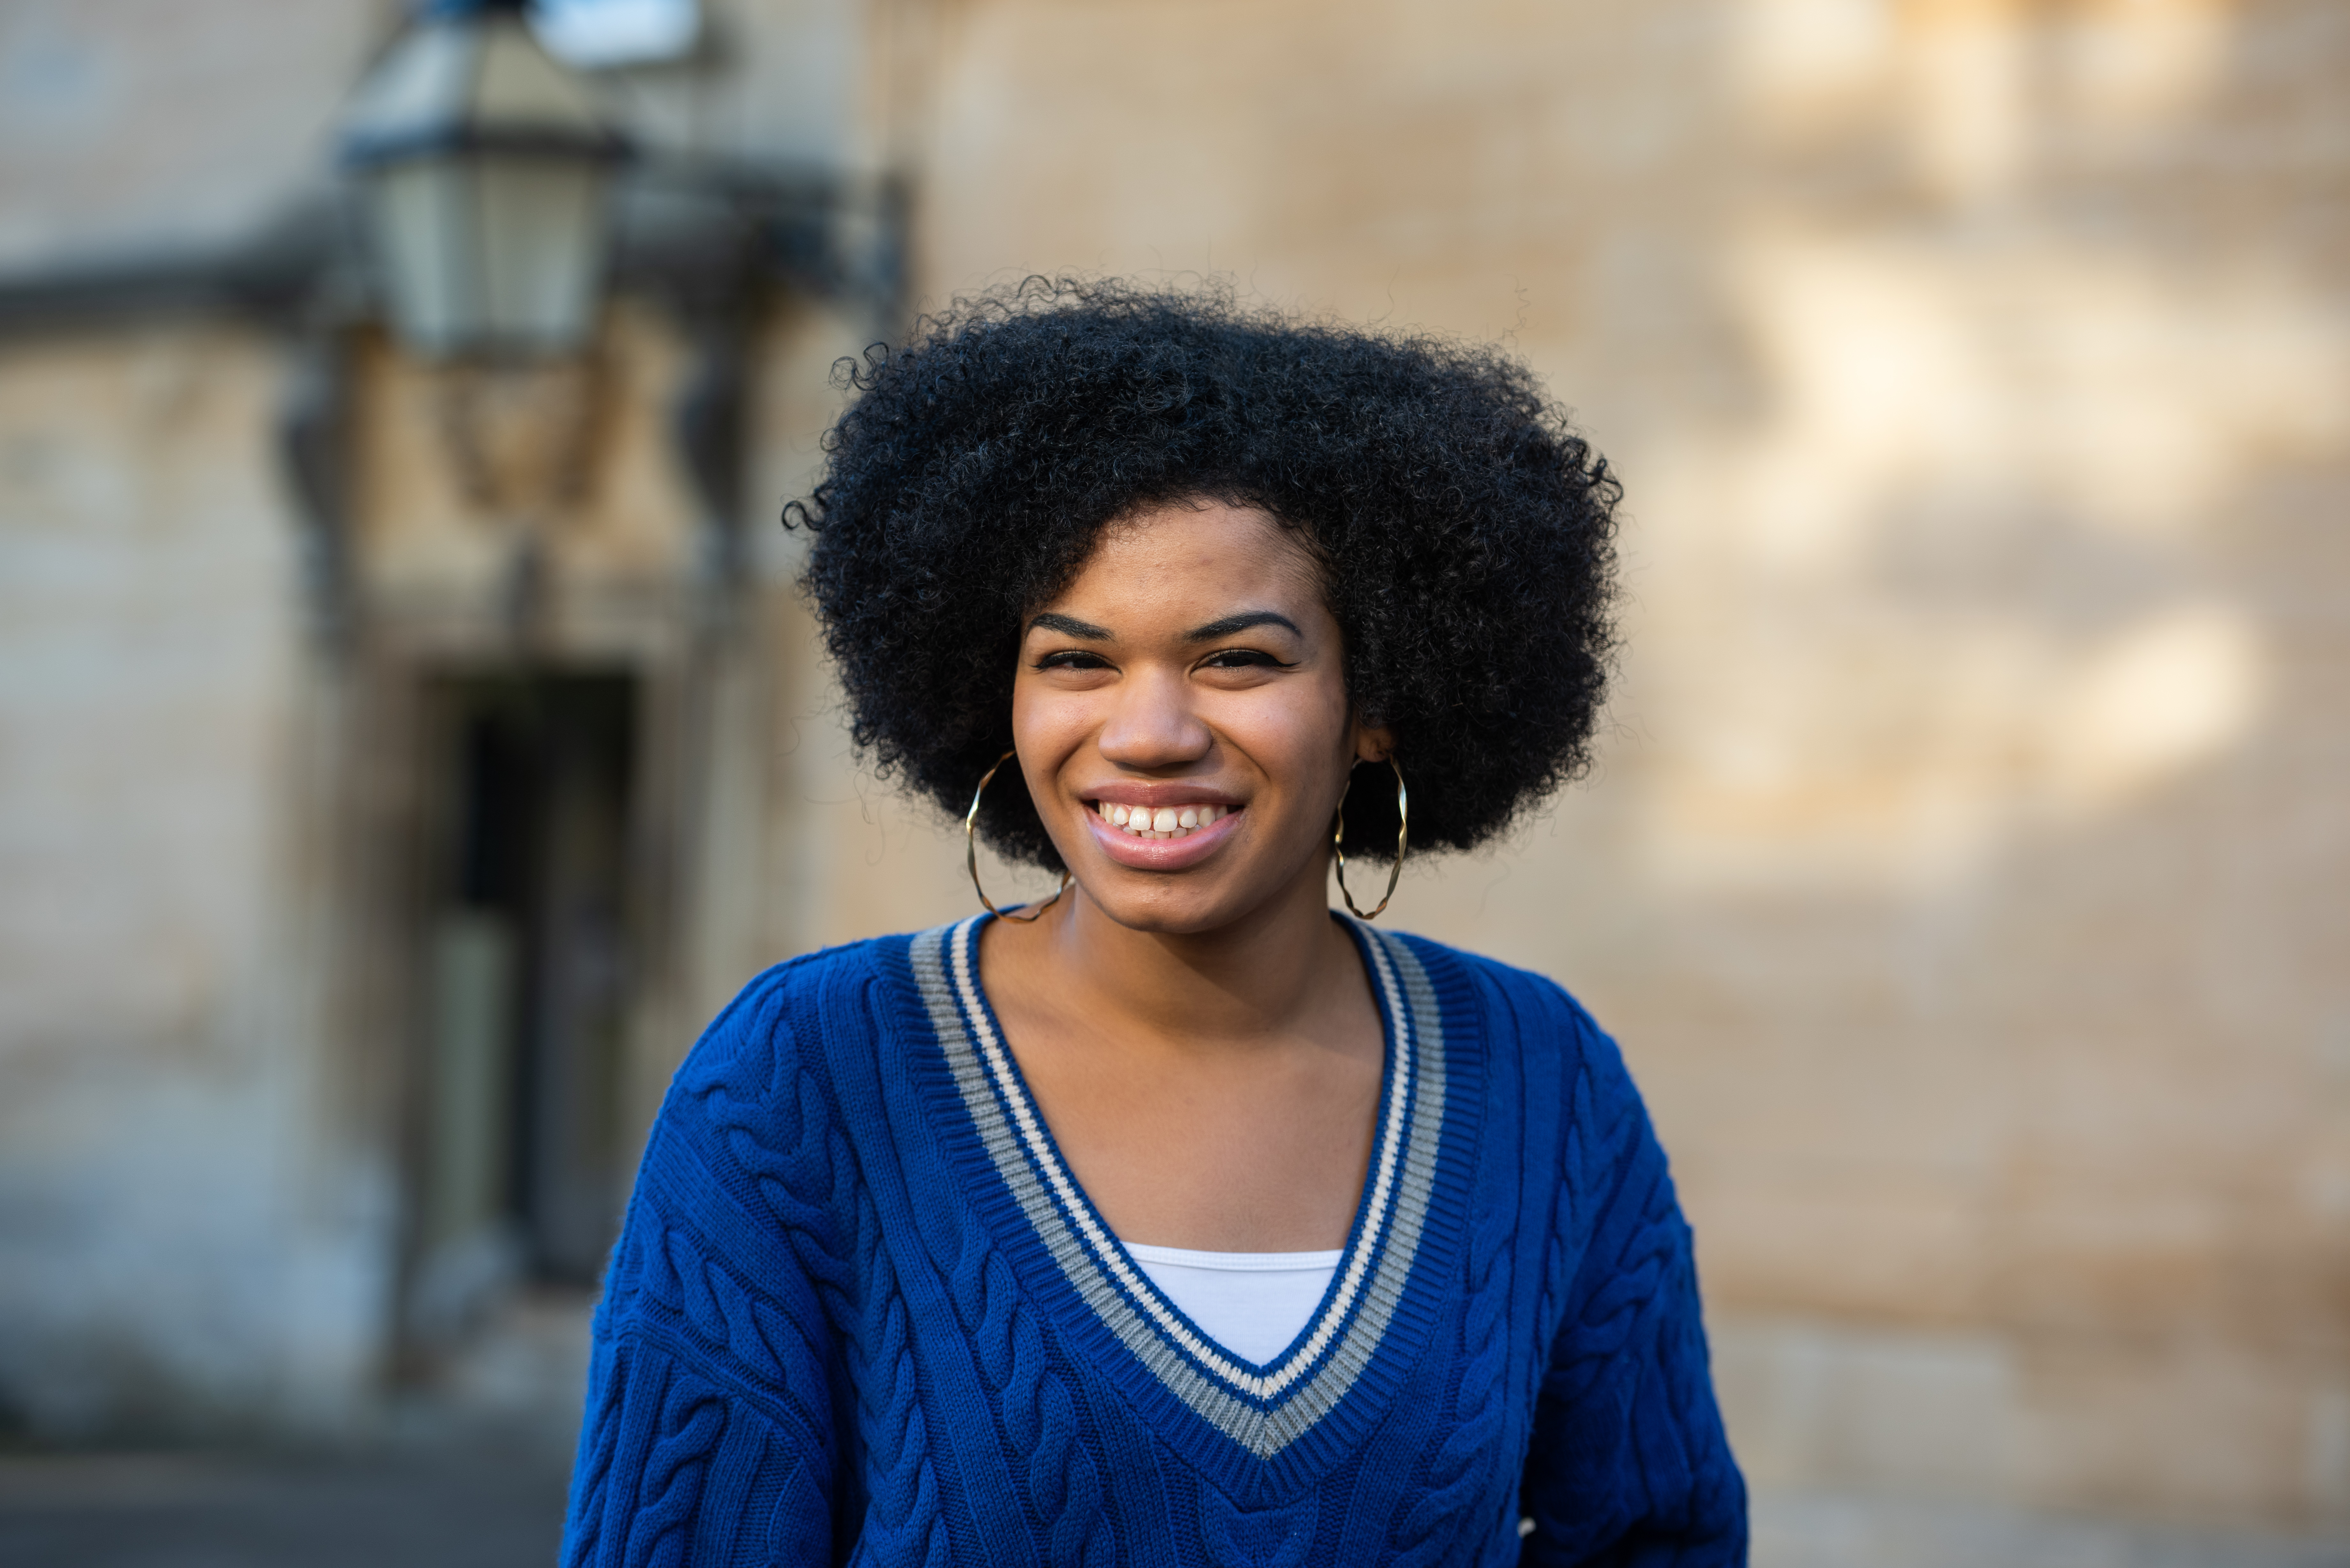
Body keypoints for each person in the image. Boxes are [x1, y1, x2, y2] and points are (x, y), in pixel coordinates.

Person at [560, 279, 1747, 1565]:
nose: (1149, 735)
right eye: (1075, 660)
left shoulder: (1539, 1079)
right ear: (992, 691)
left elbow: (1658, 1536)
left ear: (1376, 700)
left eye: (1238, 659)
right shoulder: (805, 1079)